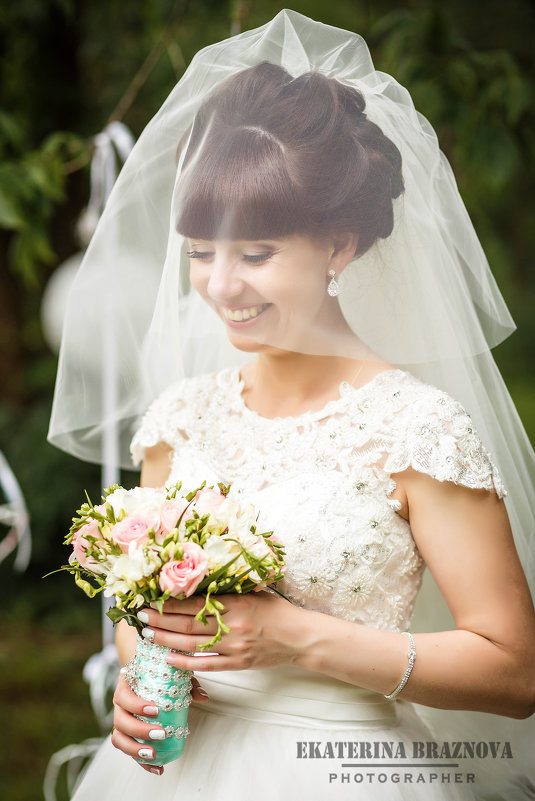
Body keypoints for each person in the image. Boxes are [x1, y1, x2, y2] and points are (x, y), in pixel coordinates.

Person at [48, 10, 535, 801]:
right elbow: (137, 618)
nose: (220, 285)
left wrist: (299, 639)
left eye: (256, 253)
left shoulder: (416, 428)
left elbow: (513, 670)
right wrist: (137, 681)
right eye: (202, 253)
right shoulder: (180, 417)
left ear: (338, 245)